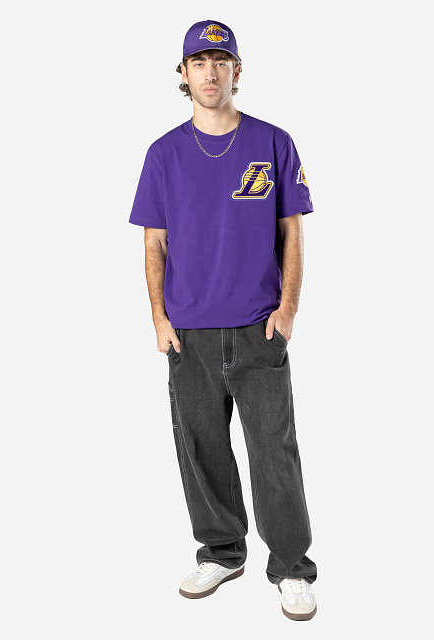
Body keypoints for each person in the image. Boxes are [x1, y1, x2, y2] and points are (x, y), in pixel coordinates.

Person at [128, 19, 318, 621]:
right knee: (201, 448)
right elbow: (154, 243)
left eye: (221, 61)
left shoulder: (273, 143)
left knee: (273, 452)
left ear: (237, 71)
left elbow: (292, 232)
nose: (210, 72)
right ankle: (221, 551)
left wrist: (288, 310)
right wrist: (159, 319)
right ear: (183, 74)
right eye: (199, 62)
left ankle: (291, 567)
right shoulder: (163, 154)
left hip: (259, 328)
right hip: (188, 332)